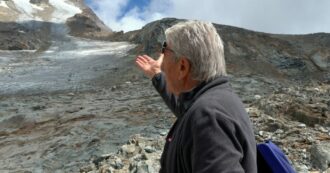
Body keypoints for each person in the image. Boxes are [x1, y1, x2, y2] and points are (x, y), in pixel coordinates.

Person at [135, 20, 257, 173]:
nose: (162, 65)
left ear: (183, 66)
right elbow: (186, 110)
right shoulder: (211, 100)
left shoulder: (210, 115)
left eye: (164, 52)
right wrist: (157, 75)